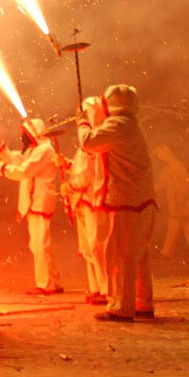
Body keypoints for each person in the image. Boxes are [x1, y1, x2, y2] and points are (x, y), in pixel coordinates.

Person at [76, 84, 157, 322]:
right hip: (140, 201)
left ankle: (121, 307)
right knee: (137, 256)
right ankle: (143, 303)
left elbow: (89, 142)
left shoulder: (117, 125)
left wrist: (83, 122)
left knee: (120, 256)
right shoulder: (131, 125)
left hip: (126, 201)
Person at [0, 116, 64, 295]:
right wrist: (1, 146)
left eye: (25, 134)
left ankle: (45, 285)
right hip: (35, 201)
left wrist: (3, 169)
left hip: (40, 201)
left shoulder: (44, 150)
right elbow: (17, 160)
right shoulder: (34, 150)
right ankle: (52, 280)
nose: (23, 138)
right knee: (39, 244)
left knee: (40, 243)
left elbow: (24, 171)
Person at [65, 96, 109, 304]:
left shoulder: (94, 142)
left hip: (92, 201)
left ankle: (106, 288)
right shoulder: (86, 145)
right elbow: (78, 169)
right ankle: (96, 288)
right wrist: (65, 165)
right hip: (82, 202)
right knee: (88, 248)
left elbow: (86, 176)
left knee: (96, 245)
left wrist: (70, 186)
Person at [154, 143, 189, 261]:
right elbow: (159, 186)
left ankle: (167, 254)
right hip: (176, 206)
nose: (160, 158)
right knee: (181, 229)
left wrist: (181, 198)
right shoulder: (166, 170)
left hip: (183, 205)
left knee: (183, 229)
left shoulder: (178, 166)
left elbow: (188, 182)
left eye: (160, 155)